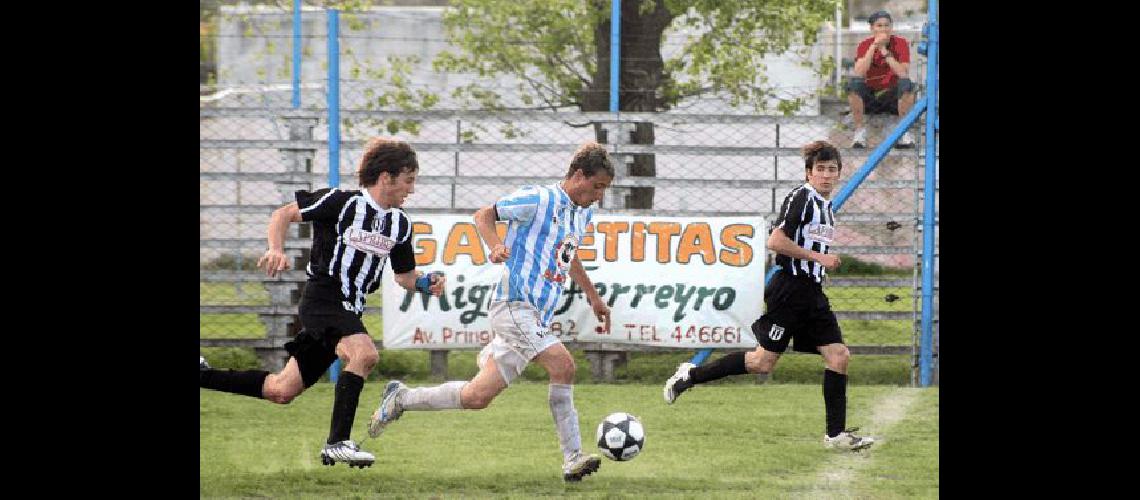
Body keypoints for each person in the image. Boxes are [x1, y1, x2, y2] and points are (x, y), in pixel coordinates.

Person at [367, 141, 615, 482]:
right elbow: (483, 215)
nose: (599, 195)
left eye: (604, 189)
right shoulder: (538, 199)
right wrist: (495, 244)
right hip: (514, 305)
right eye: (597, 186)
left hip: (535, 315)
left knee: (476, 396)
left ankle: (402, 398)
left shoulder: (582, 213)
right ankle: (572, 458)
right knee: (564, 365)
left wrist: (593, 297)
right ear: (578, 175)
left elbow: (567, 256)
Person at [199, 138, 446, 468]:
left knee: (281, 390)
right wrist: (276, 248)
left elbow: (405, 276)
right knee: (365, 353)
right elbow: (284, 213)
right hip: (323, 300)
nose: (412, 189)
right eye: (409, 180)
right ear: (386, 177)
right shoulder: (342, 202)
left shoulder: (400, 223)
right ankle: (337, 442)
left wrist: (428, 283)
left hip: (348, 309)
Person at [662, 140, 875, 452]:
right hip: (789, 292)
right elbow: (776, 241)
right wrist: (819, 259)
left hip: (812, 294)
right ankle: (690, 375)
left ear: (839, 173)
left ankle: (836, 435)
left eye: (833, 170)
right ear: (808, 173)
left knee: (838, 356)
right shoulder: (802, 198)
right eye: (821, 169)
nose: (827, 175)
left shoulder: (826, 208)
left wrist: (819, 266)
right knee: (762, 363)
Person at [846, 10, 915, 149]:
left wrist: (884, 51)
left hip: (892, 96)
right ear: (872, 28)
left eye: (886, 25)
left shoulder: (900, 43)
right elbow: (859, 72)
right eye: (879, 26)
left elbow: (903, 73)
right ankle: (860, 132)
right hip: (871, 96)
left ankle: (903, 132)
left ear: (891, 27)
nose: (883, 29)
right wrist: (873, 47)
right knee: (853, 85)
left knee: (907, 84)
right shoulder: (864, 45)